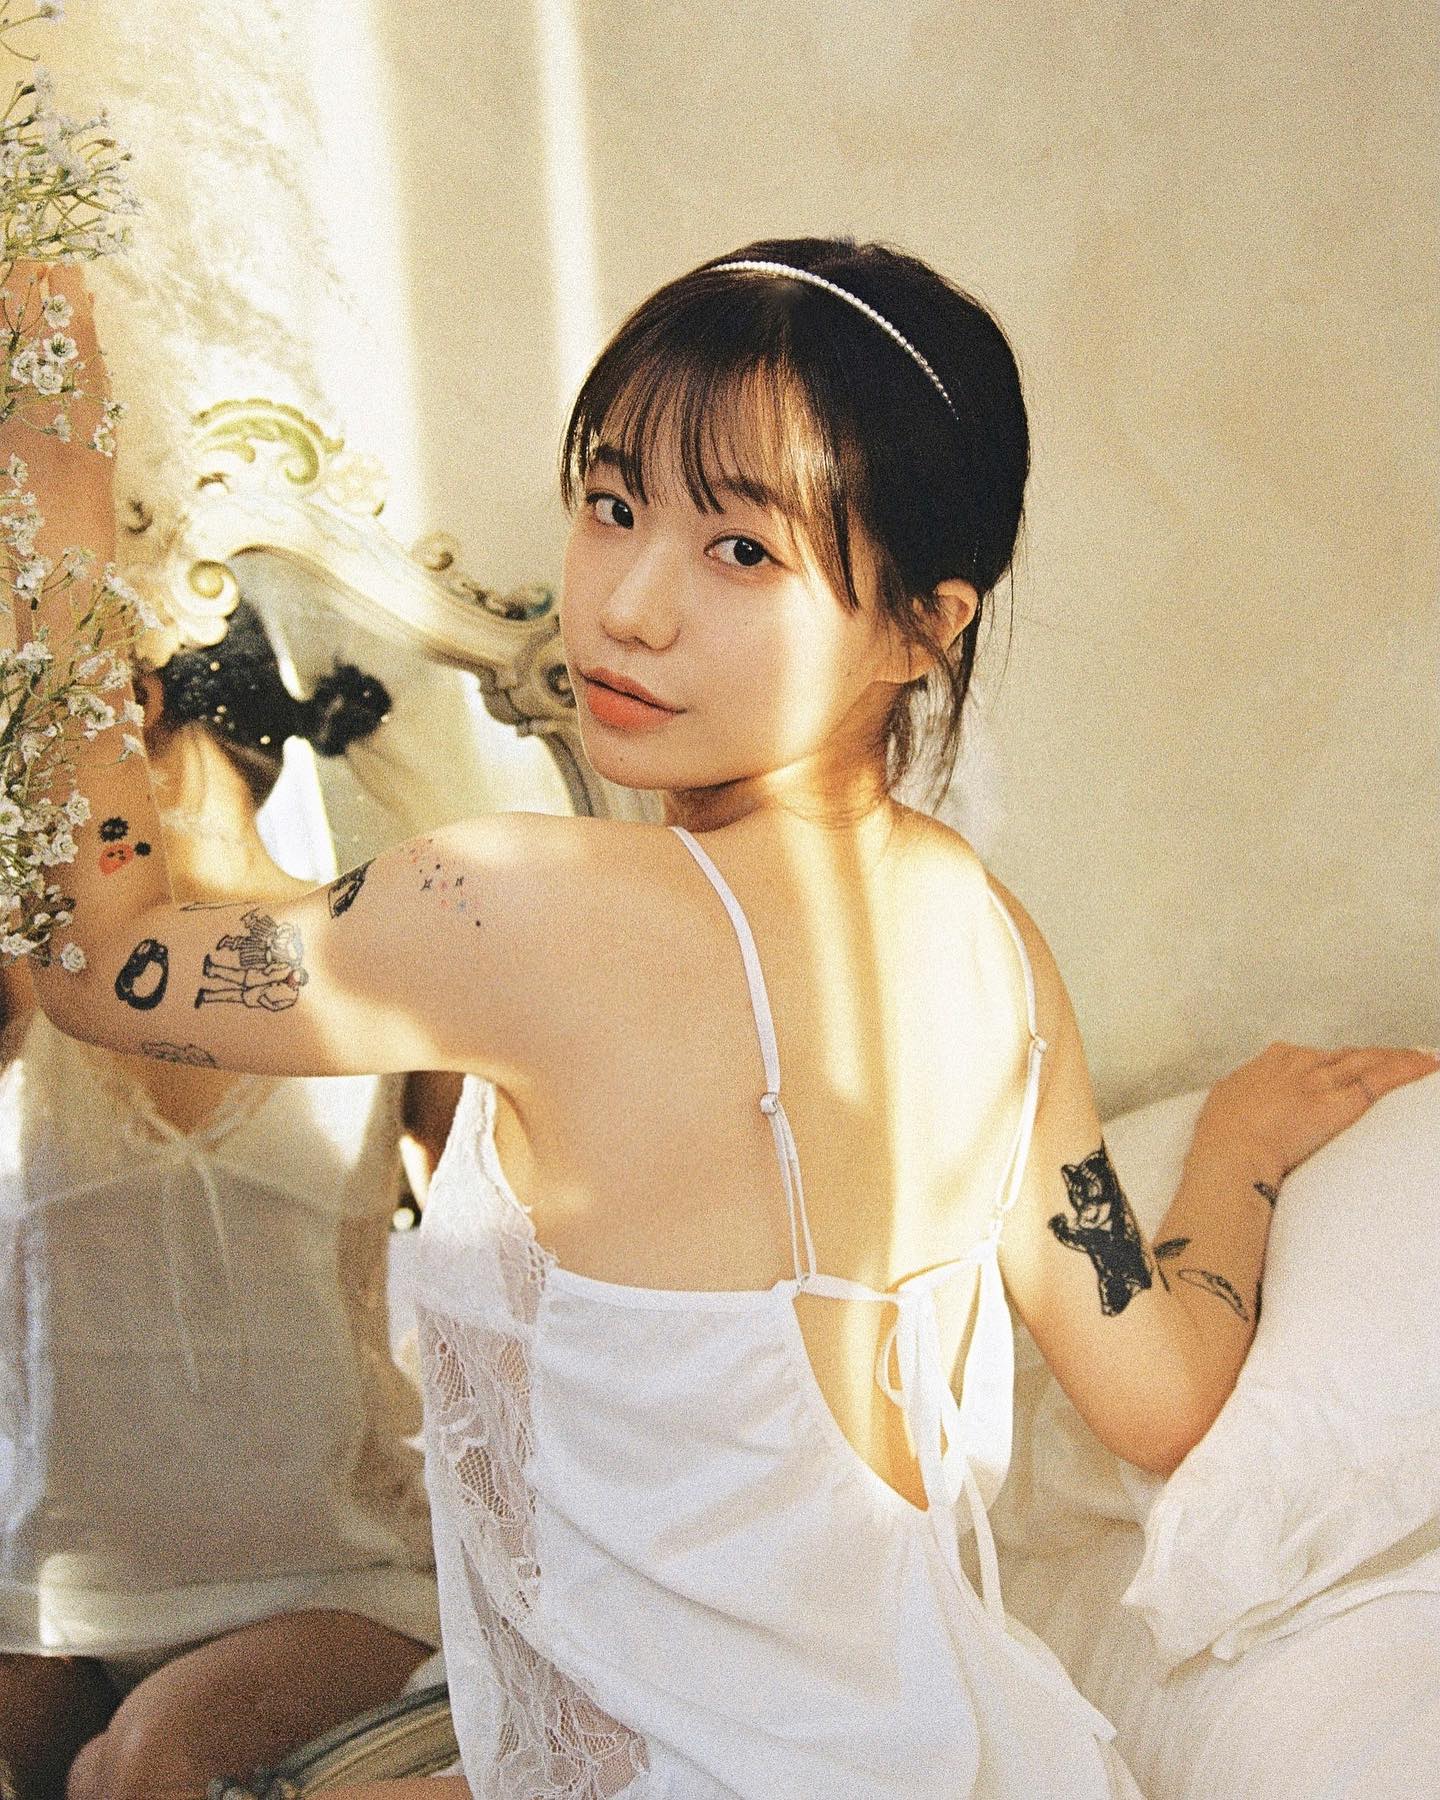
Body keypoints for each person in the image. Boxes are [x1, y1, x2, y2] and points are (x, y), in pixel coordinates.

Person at [5, 238, 1434, 1800]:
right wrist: (1241, 1149)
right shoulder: (991, 943)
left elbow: (101, 959)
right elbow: (1160, 1394)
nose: (629, 605)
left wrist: (53, 503)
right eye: (613, 505)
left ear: (921, 625)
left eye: (741, 550)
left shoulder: (521, 910)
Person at [0, 596, 461, 1800]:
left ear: (132, 701)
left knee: (140, 1767)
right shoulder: (25, 976)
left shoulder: (390, 963)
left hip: (334, 1579)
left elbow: (529, 1282)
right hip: (45, 1586)